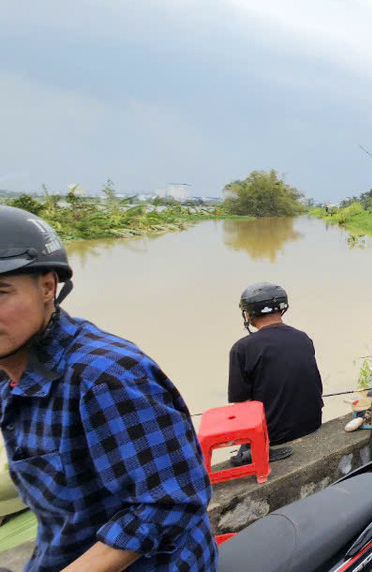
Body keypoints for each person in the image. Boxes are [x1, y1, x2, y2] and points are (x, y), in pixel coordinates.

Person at [0, 206, 216, 570]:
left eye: (0, 292)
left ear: (48, 287)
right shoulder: (10, 370)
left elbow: (171, 502)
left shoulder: (104, 376)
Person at [228, 282, 323, 465]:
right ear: (282, 309)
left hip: (274, 438)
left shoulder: (242, 348)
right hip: (312, 424)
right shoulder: (302, 338)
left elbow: (242, 404)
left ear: (248, 315)